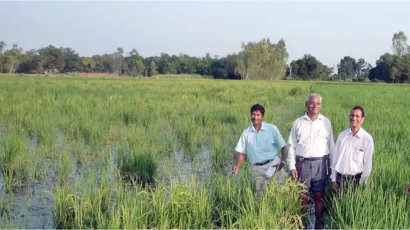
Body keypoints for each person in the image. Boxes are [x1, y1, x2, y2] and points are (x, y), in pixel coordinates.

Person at [287, 93, 334, 230]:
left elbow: (331, 145)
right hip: (302, 163)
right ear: (306, 104)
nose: (315, 106)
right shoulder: (298, 122)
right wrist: (291, 166)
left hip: (320, 164)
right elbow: (291, 145)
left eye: (318, 103)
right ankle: (303, 224)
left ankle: (319, 224)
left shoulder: (325, 122)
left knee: (319, 195)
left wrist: (332, 167)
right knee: (302, 196)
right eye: (312, 103)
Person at [232, 104, 287, 194]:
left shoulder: (272, 129)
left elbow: (284, 147)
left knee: (278, 193)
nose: (255, 117)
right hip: (257, 169)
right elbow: (242, 153)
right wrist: (237, 166)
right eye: (253, 114)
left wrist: (283, 161)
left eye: (258, 115)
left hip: (273, 164)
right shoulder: (246, 133)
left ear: (262, 116)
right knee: (259, 195)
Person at [331, 106, 374, 193]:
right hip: (340, 179)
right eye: (352, 115)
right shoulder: (342, 136)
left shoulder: (367, 139)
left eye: (357, 116)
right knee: (338, 205)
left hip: (356, 181)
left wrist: (362, 185)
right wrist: (333, 180)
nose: (354, 118)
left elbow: (367, 165)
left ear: (362, 119)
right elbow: (335, 159)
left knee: (353, 206)